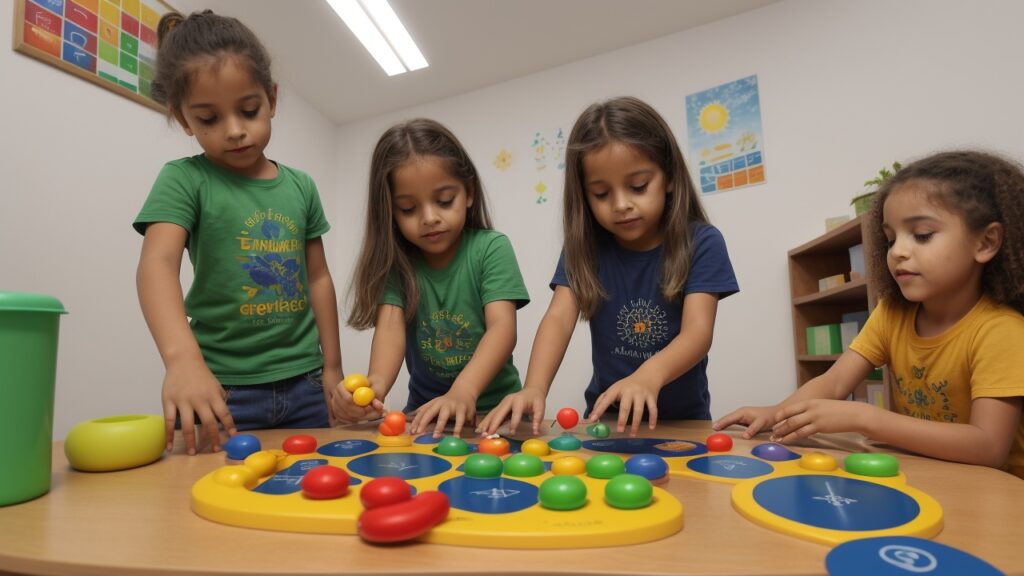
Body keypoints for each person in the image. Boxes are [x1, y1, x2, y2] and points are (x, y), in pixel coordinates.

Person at [715, 150, 1024, 478]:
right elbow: (834, 383)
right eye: (890, 239)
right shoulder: (893, 314)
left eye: (921, 235)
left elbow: (989, 447)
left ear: (986, 243)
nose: (898, 252)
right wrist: (778, 413)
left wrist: (866, 418)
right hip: (932, 476)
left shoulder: (1002, 332)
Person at [134, 10, 344, 455]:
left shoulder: (301, 186)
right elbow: (157, 264)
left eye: (248, 110)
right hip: (220, 388)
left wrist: (332, 369)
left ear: (271, 99)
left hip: (306, 383)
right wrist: (181, 361)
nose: (234, 131)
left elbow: (319, 277)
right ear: (184, 119)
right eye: (208, 119)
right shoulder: (184, 180)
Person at [478, 96, 739, 438]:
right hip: (608, 422)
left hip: (682, 423)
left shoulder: (702, 242)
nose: (621, 205)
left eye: (638, 187)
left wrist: (648, 376)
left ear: (670, 178)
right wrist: (534, 388)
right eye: (601, 194)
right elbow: (558, 318)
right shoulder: (584, 249)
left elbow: (697, 332)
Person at [344, 119, 530, 438]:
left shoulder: (491, 248)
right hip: (426, 416)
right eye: (407, 208)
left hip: (495, 413)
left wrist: (463, 392)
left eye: (444, 201)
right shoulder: (397, 265)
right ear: (390, 212)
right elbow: (389, 332)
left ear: (468, 193)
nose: (430, 218)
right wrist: (371, 390)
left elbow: (502, 328)